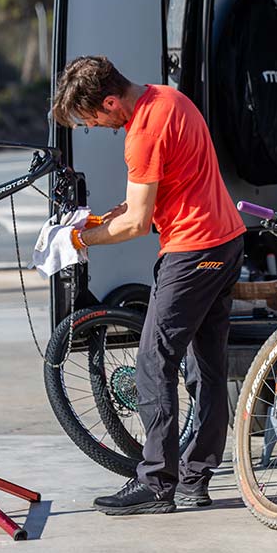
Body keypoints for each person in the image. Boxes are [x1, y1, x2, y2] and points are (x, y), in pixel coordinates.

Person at [51, 56, 245, 515]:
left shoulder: (142, 133)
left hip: (192, 252)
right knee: (206, 367)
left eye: (93, 118)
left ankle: (157, 482)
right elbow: (164, 189)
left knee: (153, 362)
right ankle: (195, 479)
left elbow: (138, 224)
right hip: (227, 240)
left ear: (112, 101)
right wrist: (108, 216)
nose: (96, 126)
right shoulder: (170, 98)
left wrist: (78, 238)